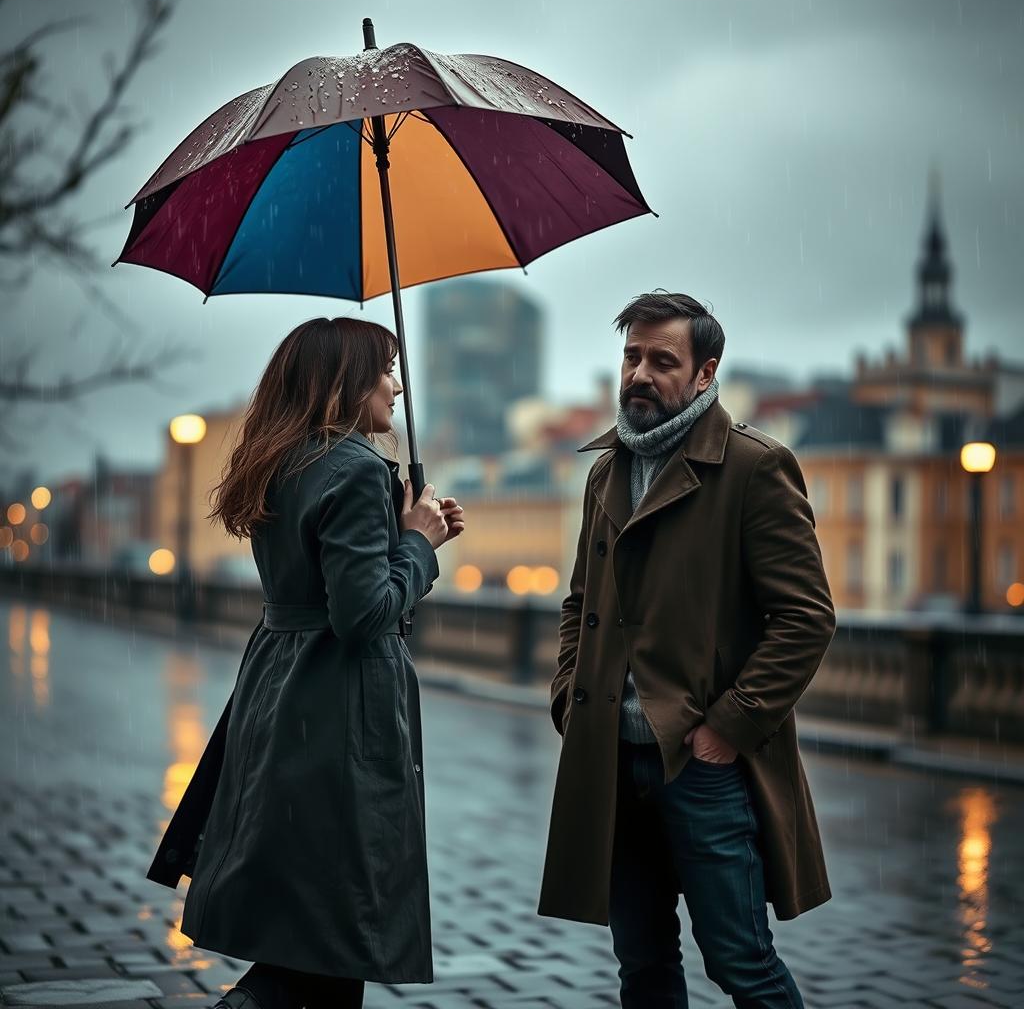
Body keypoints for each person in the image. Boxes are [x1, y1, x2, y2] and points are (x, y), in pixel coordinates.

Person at [145, 316, 465, 1009]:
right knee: (340, 915)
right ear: (345, 381)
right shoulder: (353, 471)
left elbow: (319, 582)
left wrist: (409, 529)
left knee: (311, 912)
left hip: (279, 686)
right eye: (385, 370)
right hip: (340, 705)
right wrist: (418, 547)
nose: (397, 386)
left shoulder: (284, 461)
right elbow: (364, 615)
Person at [538, 291, 836, 1008]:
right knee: (641, 965)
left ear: (705, 374)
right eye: (631, 356)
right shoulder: (604, 471)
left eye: (662, 361)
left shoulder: (754, 467)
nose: (639, 374)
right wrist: (568, 693)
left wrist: (726, 730)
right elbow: (581, 601)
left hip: (701, 766)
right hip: (612, 756)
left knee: (741, 964)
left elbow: (806, 618)